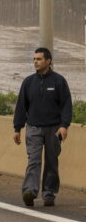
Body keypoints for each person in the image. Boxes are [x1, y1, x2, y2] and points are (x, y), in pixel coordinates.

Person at [13, 47, 72, 207]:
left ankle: (49, 193)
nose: (35, 62)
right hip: (33, 128)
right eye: (34, 59)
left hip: (54, 129)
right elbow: (21, 106)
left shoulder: (59, 81)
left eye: (39, 59)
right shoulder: (28, 82)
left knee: (52, 161)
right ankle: (30, 192)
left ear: (48, 61)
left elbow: (66, 105)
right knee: (34, 160)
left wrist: (64, 125)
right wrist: (17, 128)